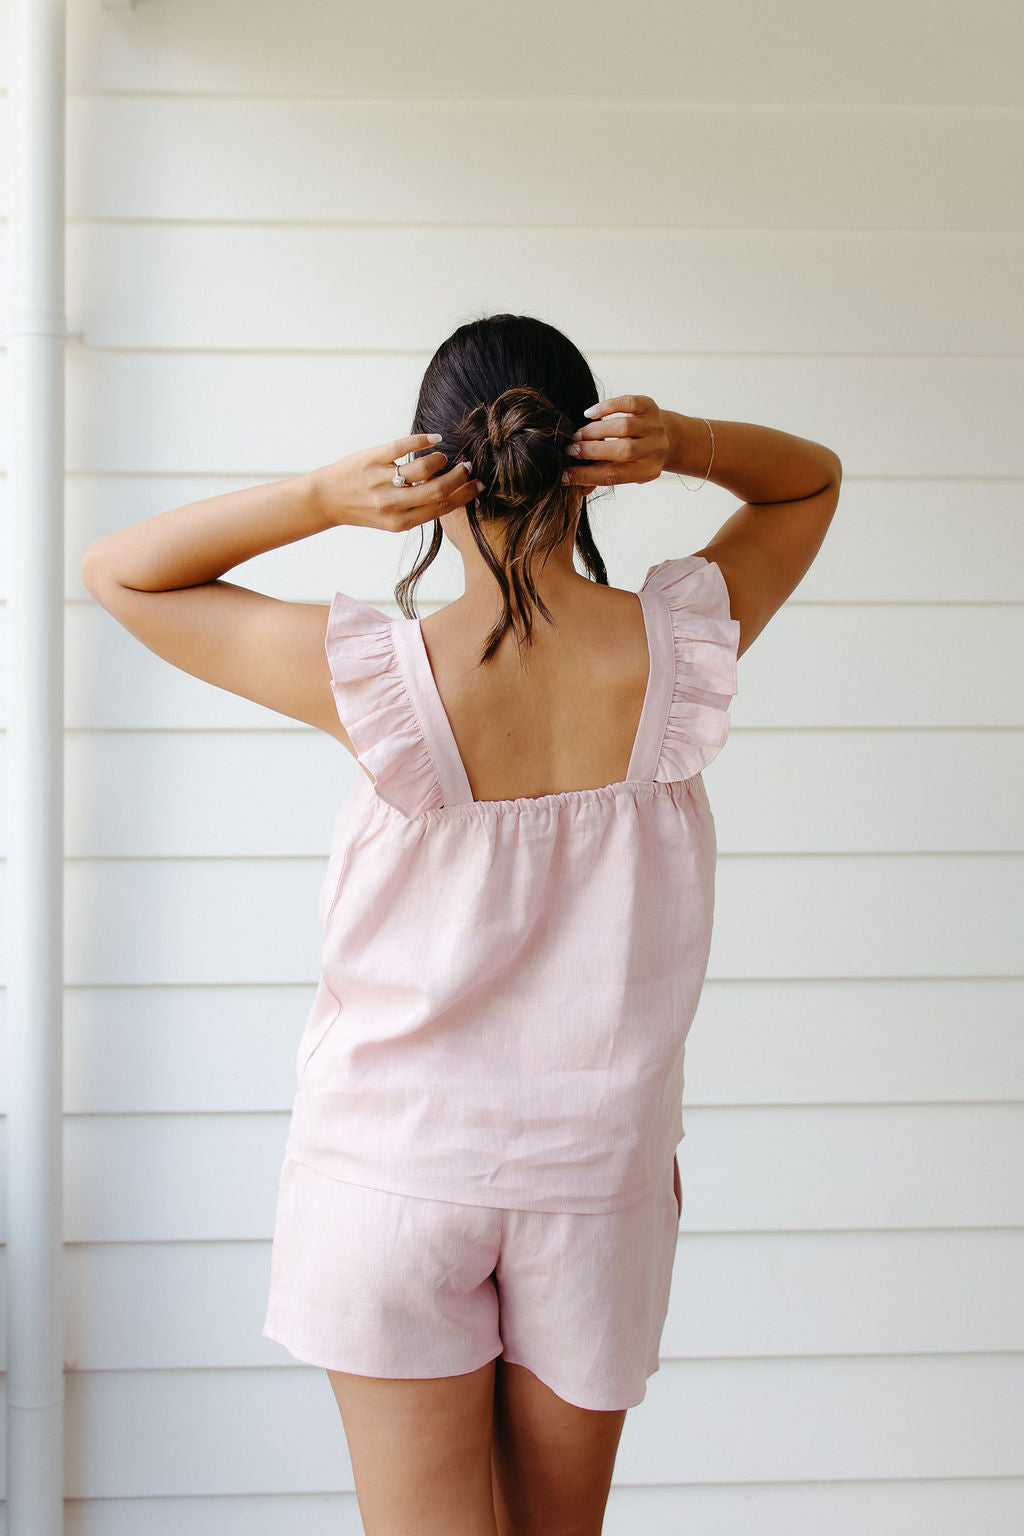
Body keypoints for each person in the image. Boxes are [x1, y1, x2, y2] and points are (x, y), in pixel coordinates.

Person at [81, 312, 842, 1536]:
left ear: (435, 466)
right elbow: (809, 483)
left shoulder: (375, 677)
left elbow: (119, 569)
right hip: (591, 1187)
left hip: (391, 1178)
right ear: (587, 459)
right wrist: (685, 442)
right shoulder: (679, 649)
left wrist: (324, 495)